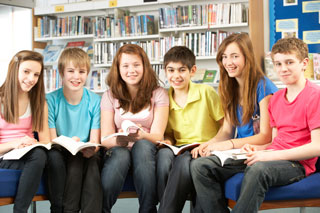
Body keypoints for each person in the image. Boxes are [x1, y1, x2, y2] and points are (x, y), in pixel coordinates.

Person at [190, 32, 278, 212]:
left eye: (235, 56)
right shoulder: (229, 86)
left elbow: (265, 136)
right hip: (240, 151)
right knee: (199, 163)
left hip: (258, 151)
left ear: (247, 57)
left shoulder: (263, 87)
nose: (228, 62)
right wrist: (209, 144)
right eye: (224, 57)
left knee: (201, 167)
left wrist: (228, 145)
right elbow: (226, 131)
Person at [100, 44, 169, 213]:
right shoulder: (109, 95)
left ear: (145, 66)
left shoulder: (159, 94)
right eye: (125, 66)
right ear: (118, 69)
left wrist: (143, 135)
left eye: (136, 65)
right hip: (119, 151)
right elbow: (105, 138)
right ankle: (102, 209)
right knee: (121, 154)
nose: (131, 70)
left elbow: (158, 135)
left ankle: (147, 209)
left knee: (143, 146)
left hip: (146, 153)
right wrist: (121, 138)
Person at [157, 46, 224, 213]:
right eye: (171, 70)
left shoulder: (206, 92)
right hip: (181, 149)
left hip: (208, 148)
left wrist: (212, 144)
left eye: (182, 70)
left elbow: (225, 125)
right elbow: (170, 134)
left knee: (190, 164)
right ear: (165, 71)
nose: (176, 76)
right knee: (180, 159)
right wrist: (168, 141)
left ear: (192, 71)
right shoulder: (165, 99)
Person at [46, 47, 102, 213]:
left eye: (82, 71)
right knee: (75, 162)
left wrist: (92, 148)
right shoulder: (50, 100)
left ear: (87, 74)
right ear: (61, 73)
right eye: (71, 71)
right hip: (60, 149)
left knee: (91, 163)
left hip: (85, 151)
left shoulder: (94, 100)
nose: (76, 76)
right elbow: (51, 139)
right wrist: (70, 143)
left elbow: (94, 140)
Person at [0, 50, 49, 213]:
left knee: (44, 155)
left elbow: (46, 141)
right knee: (38, 156)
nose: (31, 79)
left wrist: (33, 143)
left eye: (36, 75)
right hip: (4, 156)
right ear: (15, 69)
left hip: (29, 153)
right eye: (26, 72)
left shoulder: (38, 102)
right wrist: (16, 143)